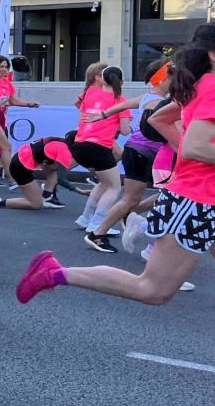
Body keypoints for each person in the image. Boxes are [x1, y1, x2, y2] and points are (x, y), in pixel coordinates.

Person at [16, 27, 215, 307]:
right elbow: (195, 146)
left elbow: (160, 120)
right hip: (196, 199)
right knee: (152, 290)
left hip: (200, 195)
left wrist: (181, 151)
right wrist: (186, 151)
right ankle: (55, 273)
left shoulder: (199, 86)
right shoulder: (211, 86)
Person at [88, 60, 172, 253]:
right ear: (161, 80)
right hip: (142, 153)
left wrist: (102, 115)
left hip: (138, 152)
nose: (175, 82)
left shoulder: (147, 96)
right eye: (171, 78)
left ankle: (126, 217)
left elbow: (123, 105)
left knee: (162, 194)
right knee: (133, 198)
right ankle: (98, 233)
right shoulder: (156, 102)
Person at [71, 64, 131, 249]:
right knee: (114, 187)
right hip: (99, 147)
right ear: (121, 81)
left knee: (105, 183)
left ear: (102, 79)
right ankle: (97, 224)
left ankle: (85, 218)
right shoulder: (121, 100)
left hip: (79, 144)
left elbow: (79, 105)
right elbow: (125, 129)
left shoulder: (90, 91)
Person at [0, 56, 38, 187]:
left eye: (6, 67)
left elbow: (12, 101)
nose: (5, 69)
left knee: (1, 149)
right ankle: (12, 180)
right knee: (6, 148)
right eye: (2, 67)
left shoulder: (7, 83)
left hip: (0, 118)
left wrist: (28, 104)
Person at [0, 136, 76, 209]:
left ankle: (47, 195)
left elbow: (48, 166)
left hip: (21, 158)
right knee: (36, 204)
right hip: (20, 167)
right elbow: (61, 177)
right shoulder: (63, 150)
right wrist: (79, 191)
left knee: (54, 168)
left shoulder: (58, 142)